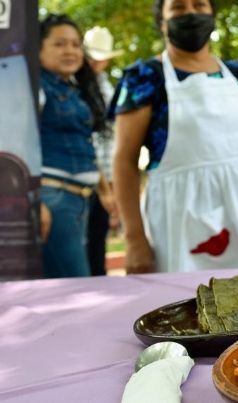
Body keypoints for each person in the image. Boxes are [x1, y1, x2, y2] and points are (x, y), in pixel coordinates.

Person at [111, 0, 238, 274]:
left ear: (212, 14)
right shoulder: (145, 78)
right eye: (178, 8)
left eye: (199, 5)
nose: (190, 13)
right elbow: (124, 161)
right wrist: (135, 239)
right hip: (183, 224)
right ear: (162, 21)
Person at [38, 14, 107, 277]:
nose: (70, 50)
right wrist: (31, 201)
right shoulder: (34, 88)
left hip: (80, 200)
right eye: (60, 44)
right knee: (76, 288)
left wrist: (103, 188)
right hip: (54, 201)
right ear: (39, 49)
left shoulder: (75, 89)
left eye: (76, 44)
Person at [83, 26, 123, 276]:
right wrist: (104, 188)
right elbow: (90, 141)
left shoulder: (106, 86)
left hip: (109, 177)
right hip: (91, 180)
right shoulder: (80, 86)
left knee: (97, 246)